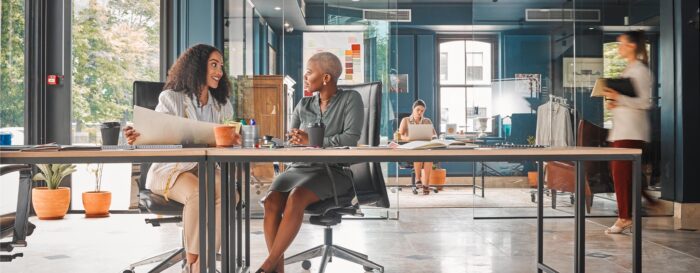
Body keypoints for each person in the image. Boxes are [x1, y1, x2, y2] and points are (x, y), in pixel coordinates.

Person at [123, 44, 239, 273]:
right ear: (197, 67)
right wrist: (138, 135)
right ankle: (196, 264)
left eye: (221, 66)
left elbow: (224, 141)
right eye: (214, 65)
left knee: (229, 194)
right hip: (172, 169)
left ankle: (199, 264)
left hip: (205, 168)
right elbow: (157, 135)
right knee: (199, 193)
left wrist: (232, 140)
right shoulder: (171, 98)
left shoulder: (222, 105)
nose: (220, 72)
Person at [256, 52, 364, 273]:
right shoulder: (304, 103)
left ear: (325, 78)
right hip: (300, 167)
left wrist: (313, 141)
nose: (305, 77)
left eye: (308, 73)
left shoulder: (350, 99)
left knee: (296, 196)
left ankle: (269, 265)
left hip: (334, 171)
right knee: (271, 201)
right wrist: (293, 140)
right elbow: (291, 139)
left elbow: (350, 139)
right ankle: (278, 269)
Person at [600, 30, 657, 234]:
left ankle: (624, 218)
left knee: (622, 174)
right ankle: (641, 206)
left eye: (621, 43)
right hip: (623, 130)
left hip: (631, 132)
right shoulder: (630, 69)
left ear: (632, 46)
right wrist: (615, 101)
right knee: (622, 173)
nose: (619, 48)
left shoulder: (640, 70)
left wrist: (619, 98)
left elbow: (644, 102)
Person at [398, 99, 437, 195]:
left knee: (428, 156)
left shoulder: (427, 121)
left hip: (425, 147)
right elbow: (399, 136)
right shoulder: (406, 120)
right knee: (418, 153)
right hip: (411, 149)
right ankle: (418, 179)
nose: (420, 112)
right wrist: (408, 138)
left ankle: (426, 185)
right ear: (413, 109)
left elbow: (435, 135)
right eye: (418, 110)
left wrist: (431, 137)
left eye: (422, 111)